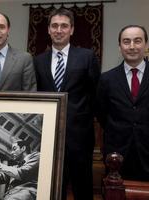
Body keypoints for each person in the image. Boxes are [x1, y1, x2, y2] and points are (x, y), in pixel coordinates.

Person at [33, 8, 101, 200]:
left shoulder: (86, 56)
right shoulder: (38, 61)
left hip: (80, 138)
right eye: (54, 26)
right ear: (48, 29)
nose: (59, 30)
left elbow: (96, 94)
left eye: (64, 26)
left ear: (71, 30)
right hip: (48, 138)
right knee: (52, 188)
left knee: (83, 188)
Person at [96, 25, 149, 181]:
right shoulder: (106, 79)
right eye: (126, 41)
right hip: (117, 155)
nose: (132, 46)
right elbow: (102, 114)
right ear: (120, 46)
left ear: (146, 45)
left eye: (137, 41)